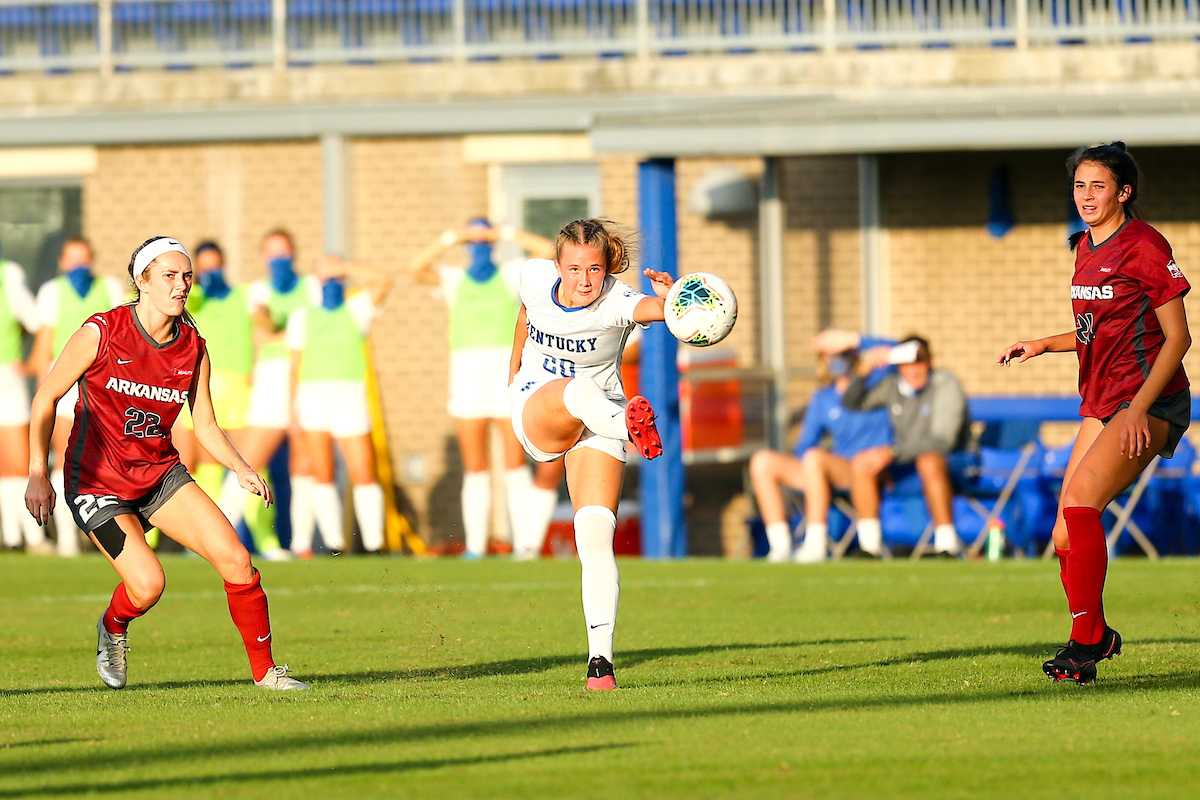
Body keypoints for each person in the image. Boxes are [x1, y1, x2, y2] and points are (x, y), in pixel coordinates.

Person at [24, 236, 307, 691]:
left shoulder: (193, 347)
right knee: (148, 586)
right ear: (143, 281)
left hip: (160, 477)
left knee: (237, 560)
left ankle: (267, 675)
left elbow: (207, 426)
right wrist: (39, 473)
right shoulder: (102, 331)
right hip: (98, 484)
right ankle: (113, 627)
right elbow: (45, 397)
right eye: (170, 276)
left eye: (186, 276)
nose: (181, 285)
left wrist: (241, 467)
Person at [998, 142, 1190, 685]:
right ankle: (1099, 635)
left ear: (1123, 192)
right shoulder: (1085, 247)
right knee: (1064, 533)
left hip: (1151, 400)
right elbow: (1096, 332)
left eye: (1097, 185)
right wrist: (1044, 344)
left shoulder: (1146, 245)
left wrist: (1140, 411)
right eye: (1079, 185)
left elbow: (1178, 338)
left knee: (1081, 503)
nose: (1085, 196)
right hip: (1105, 401)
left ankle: (1084, 647)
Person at [508, 218, 668, 691]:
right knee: (576, 388)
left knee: (595, 535)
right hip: (542, 405)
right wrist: (512, 369)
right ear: (557, 265)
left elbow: (667, 315)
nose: (583, 280)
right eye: (574, 268)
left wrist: (675, 295)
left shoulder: (617, 300)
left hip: (601, 419)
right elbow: (525, 313)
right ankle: (629, 428)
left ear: (606, 268)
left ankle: (601, 662)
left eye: (594, 270)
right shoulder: (534, 277)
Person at [411, 219, 564, 560]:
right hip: (466, 378)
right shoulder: (454, 279)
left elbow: (548, 252)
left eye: (483, 241)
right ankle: (477, 546)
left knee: (513, 462)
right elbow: (416, 267)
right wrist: (453, 236)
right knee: (475, 466)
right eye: (474, 241)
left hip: (503, 376)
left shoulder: (510, 275)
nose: (478, 247)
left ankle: (525, 545)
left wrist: (502, 233)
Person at [173, 241, 289, 560]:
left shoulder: (243, 297)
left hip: (238, 390)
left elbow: (266, 326)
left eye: (216, 265)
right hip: (199, 388)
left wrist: (263, 313)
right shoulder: (190, 300)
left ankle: (266, 540)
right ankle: (203, 541)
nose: (212, 272)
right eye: (204, 267)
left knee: (249, 462)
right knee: (206, 468)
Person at [749, 338, 893, 563]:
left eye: (844, 353)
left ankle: (815, 543)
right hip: (824, 470)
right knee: (762, 461)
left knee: (815, 459)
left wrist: (858, 338)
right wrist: (811, 464)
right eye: (831, 355)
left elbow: (909, 351)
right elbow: (805, 445)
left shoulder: (879, 385)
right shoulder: (823, 398)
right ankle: (780, 547)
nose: (838, 360)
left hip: (867, 468)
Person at [286, 254, 393, 554]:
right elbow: (294, 367)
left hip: (350, 397)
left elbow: (384, 280)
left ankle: (375, 543)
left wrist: (344, 267)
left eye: (335, 272)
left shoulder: (357, 308)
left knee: (363, 471)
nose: (330, 278)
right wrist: (292, 410)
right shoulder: (302, 316)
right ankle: (335, 544)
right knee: (323, 472)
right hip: (313, 398)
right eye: (324, 272)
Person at [30, 236, 125, 555]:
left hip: (104, 382)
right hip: (68, 380)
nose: (78, 266)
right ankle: (69, 537)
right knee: (67, 457)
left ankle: (103, 532)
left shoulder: (109, 287)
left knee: (107, 459)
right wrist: (47, 393)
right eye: (72, 260)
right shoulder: (52, 292)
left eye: (83, 259)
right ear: (61, 262)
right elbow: (44, 346)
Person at [842, 335, 974, 556]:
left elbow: (943, 441)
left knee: (929, 460)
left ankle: (947, 545)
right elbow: (852, 402)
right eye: (906, 363)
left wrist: (893, 451)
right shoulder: (892, 386)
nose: (913, 370)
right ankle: (870, 547)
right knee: (863, 463)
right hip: (908, 463)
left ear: (930, 361)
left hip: (956, 463)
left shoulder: (945, 383)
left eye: (919, 361)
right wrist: (865, 368)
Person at [244, 230, 314, 554]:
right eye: (272, 253)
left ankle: (304, 543)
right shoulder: (258, 291)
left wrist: (283, 334)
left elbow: (312, 331)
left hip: (309, 376)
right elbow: (264, 333)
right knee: (249, 461)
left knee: (306, 463)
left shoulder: (310, 287)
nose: (278, 259)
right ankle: (222, 534)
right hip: (272, 377)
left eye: (284, 252)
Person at [0, 254, 48, 553]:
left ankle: (33, 536)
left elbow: (35, 321)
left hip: (6, 375)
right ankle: (12, 536)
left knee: (18, 463)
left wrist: (30, 362)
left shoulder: (8, 274)